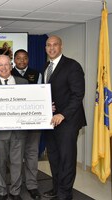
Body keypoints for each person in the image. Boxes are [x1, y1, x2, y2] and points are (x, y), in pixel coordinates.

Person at [42, 36, 86, 200]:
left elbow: (78, 94)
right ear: (45, 48)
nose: (51, 48)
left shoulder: (72, 66)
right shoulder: (46, 67)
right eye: (48, 45)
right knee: (53, 157)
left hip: (68, 122)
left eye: (55, 45)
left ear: (61, 46)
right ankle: (56, 188)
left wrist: (63, 114)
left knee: (66, 159)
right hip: (51, 122)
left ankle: (65, 194)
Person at [0, 55, 28, 200]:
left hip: (18, 133)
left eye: (6, 65)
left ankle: (15, 192)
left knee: (17, 164)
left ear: (11, 66)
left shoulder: (24, 83)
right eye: (0, 65)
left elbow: (29, 104)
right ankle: (2, 191)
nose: (3, 68)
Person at [12, 49, 42, 199]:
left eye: (24, 58)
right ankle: (15, 187)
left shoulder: (37, 74)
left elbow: (41, 95)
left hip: (33, 122)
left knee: (31, 154)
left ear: (28, 59)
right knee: (16, 158)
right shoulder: (7, 73)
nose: (22, 61)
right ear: (14, 60)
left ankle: (32, 185)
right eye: (19, 58)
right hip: (15, 124)